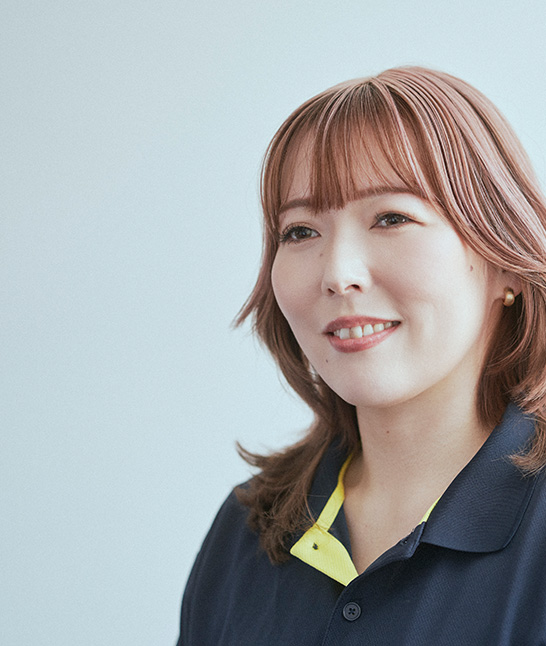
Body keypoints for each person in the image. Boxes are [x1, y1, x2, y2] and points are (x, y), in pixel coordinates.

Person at [178, 66, 546, 645]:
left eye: (391, 218)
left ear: (506, 263)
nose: (338, 273)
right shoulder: (248, 528)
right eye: (300, 231)